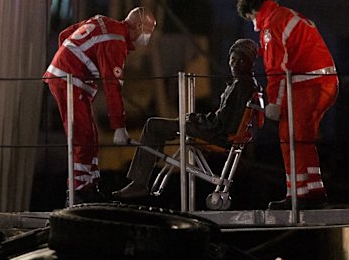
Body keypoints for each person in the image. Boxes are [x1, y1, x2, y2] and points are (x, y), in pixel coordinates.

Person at [111, 38, 262, 199]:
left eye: (241, 60)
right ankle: (152, 156)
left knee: (152, 125)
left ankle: (139, 182)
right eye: (233, 59)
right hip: (217, 131)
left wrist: (195, 119)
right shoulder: (248, 85)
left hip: (215, 134)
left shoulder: (241, 86)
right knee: (166, 126)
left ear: (250, 63)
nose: (235, 64)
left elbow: (221, 123)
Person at [236, 0, 339, 210]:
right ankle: (313, 190)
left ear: (254, 10)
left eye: (251, 19)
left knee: (289, 137)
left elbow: (276, 70)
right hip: (325, 82)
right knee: (303, 138)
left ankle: (299, 195)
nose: (254, 25)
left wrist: (274, 103)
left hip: (307, 85)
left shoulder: (271, 25)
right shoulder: (289, 16)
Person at [43, 7, 157, 204]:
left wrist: (69, 62)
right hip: (69, 81)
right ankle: (78, 192)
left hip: (68, 78)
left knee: (89, 136)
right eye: (148, 31)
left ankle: (89, 186)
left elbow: (65, 35)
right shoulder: (116, 43)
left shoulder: (102, 21)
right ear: (138, 26)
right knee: (83, 136)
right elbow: (113, 88)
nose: (147, 38)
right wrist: (119, 127)